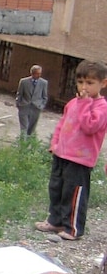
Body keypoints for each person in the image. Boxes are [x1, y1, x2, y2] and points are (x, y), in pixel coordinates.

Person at [35, 60, 107, 241]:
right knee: (56, 188)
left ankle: (73, 228)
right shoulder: (73, 103)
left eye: (90, 83)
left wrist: (85, 104)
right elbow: (62, 124)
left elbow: (90, 126)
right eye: (81, 82)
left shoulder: (101, 107)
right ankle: (55, 220)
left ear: (103, 83)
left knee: (73, 193)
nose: (84, 87)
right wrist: (55, 143)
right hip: (62, 153)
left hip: (80, 159)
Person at [16, 65, 49, 137]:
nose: (39, 75)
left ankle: (28, 145)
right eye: (37, 73)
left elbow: (44, 97)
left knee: (31, 130)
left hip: (36, 108)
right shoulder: (24, 82)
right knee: (24, 128)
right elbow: (19, 94)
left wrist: (41, 106)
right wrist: (19, 104)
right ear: (32, 73)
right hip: (24, 107)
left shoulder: (44, 83)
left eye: (40, 73)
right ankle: (22, 144)